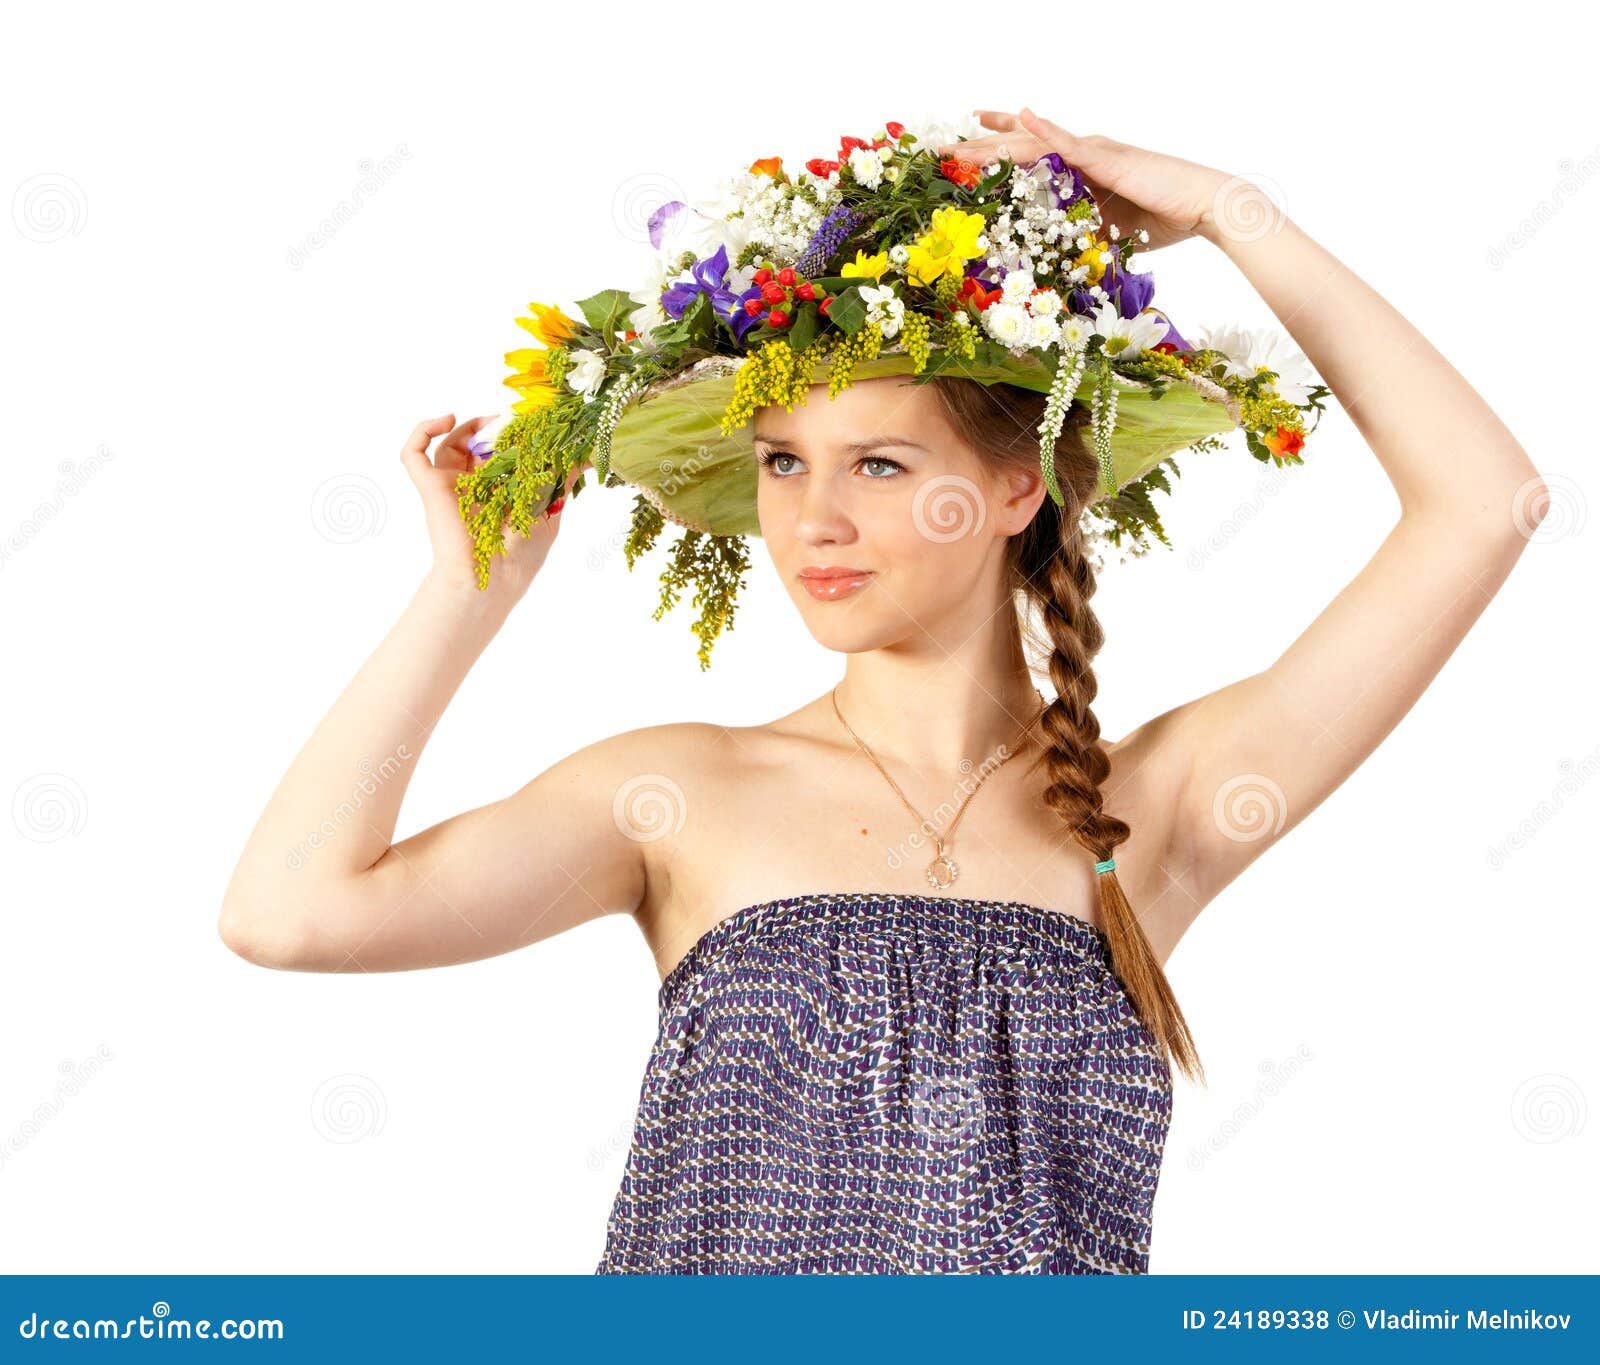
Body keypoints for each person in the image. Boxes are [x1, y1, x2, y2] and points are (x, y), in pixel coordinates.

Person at [218, 108, 1547, 1273]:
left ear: (1016, 489)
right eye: (786, 463)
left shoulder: (1158, 809)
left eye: (883, 466)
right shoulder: (683, 791)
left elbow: (1486, 504)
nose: (816, 520)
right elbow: (289, 913)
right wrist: (466, 600)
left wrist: (1223, 210)